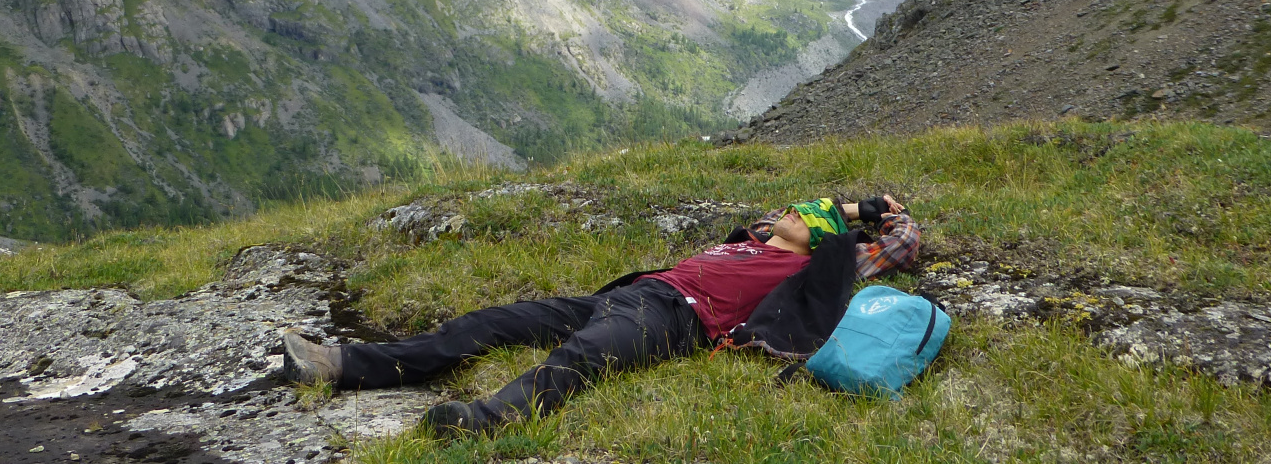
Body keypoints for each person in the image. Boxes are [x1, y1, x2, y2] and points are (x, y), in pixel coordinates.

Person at [281, 193, 919, 437]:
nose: (796, 211)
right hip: (630, 293)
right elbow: (795, 211)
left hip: (677, 320)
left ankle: (488, 419)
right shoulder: (756, 239)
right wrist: (837, 205)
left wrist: (871, 212)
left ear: (824, 240)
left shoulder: (814, 266)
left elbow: (901, 244)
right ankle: (341, 365)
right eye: (796, 208)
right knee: (493, 321)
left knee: (584, 356)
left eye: (810, 216)